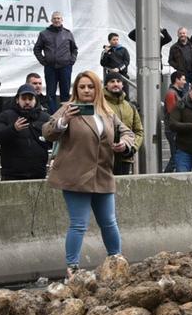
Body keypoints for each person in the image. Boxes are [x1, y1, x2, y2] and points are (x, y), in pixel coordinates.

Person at [43, 71, 134, 277]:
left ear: (97, 89)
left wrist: (124, 144)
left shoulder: (106, 111)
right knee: (78, 224)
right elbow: (48, 131)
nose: (86, 90)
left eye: (90, 86)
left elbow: (128, 132)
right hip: (75, 176)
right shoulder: (68, 109)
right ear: (76, 89)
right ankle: (72, 267)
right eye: (82, 87)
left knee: (109, 222)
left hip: (102, 174)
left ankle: (116, 260)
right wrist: (63, 121)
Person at [0, 84, 50, 181]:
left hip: (38, 174)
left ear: (35, 100)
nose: (27, 102)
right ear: (17, 100)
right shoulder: (6, 115)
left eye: (30, 99)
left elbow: (53, 140)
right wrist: (13, 129)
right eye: (24, 99)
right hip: (12, 175)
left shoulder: (45, 117)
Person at [33, 12, 78, 112]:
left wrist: (71, 61)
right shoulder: (44, 33)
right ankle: (52, 116)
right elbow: (37, 49)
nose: (57, 20)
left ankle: (65, 114)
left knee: (65, 93)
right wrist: (43, 61)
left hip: (65, 67)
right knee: (50, 93)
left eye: (58, 18)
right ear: (51, 20)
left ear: (62, 20)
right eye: (55, 18)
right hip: (50, 68)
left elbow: (74, 49)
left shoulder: (68, 33)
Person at [101, 73, 143, 176]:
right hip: (103, 159)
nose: (116, 84)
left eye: (118, 81)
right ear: (106, 85)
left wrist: (131, 148)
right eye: (112, 81)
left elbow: (139, 131)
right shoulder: (99, 105)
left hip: (125, 158)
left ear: (122, 85)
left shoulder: (130, 107)